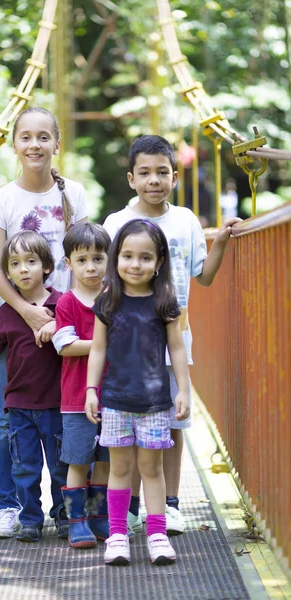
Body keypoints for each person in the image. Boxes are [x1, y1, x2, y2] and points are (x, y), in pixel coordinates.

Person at [102, 135, 240, 536]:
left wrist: (223, 240)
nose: (154, 180)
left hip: (174, 340)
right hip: (127, 345)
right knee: (127, 429)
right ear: (131, 178)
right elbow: (107, 282)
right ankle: (128, 509)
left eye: (162, 172)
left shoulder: (185, 221)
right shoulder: (115, 224)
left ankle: (171, 506)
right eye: (144, 173)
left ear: (175, 177)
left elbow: (205, 276)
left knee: (171, 426)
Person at [0, 107, 88, 538]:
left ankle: (71, 507)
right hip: (9, 314)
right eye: (26, 137)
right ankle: (9, 507)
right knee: (9, 414)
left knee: (67, 412)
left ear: (56, 145)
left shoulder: (74, 194)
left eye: (44, 137)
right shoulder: (2, 199)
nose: (35, 145)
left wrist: (60, 316)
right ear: (14, 145)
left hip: (62, 316)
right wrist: (26, 312)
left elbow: (84, 257)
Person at [85, 220, 190, 566]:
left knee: (151, 468)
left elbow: (176, 348)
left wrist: (183, 391)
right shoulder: (108, 300)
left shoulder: (165, 301)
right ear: (116, 258)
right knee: (120, 468)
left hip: (154, 402)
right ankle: (117, 535)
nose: (135, 264)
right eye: (127, 256)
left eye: (145, 257)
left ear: (159, 261)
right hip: (115, 401)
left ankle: (157, 534)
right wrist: (91, 390)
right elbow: (98, 349)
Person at [0, 231, 69, 542]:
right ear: (7, 273)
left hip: (55, 403)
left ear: (47, 267)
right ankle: (30, 520)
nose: (24, 269)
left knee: (60, 466)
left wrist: (56, 325)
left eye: (31, 261)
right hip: (20, 406)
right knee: (24, 468)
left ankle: (64, 515)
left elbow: (77, 331)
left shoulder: (60, 304)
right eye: (15, 264)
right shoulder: (6, 312)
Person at [52, 222, 111, 549]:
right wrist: (103, 343)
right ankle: (77, 522)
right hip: (77, 399)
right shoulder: (67, 303)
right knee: (78, 460)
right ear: (68, 263)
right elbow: (65, 346)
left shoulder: (114, 297)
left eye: (98, 259)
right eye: (83, 259)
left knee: (105, 461)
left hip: (113, 397)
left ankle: (99, 517)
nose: (91, 266)